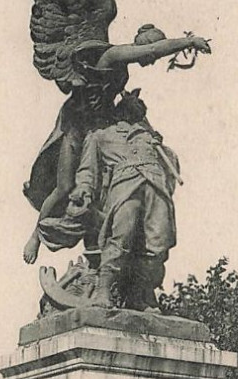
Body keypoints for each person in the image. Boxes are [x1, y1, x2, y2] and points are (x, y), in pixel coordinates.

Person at [22, 27, 211, 264]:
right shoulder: (113, 56)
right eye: (148, 57)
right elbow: (154, 49)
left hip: (102, 124)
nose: (150, 62)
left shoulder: (121, 74)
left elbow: (124, 103)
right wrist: (189, 41)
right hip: (77, 123)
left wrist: (146, 128)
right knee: (64, 186)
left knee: (105, 184)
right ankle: (35, 237)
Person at [68, 89, 181, 309]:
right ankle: (103, 290)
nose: (137, 105)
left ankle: (142, 294)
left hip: (156, 189)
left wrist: (162, 147)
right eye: (133, 102)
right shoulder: (101, 135)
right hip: (125, 188)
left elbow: (171, 166)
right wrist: (83, 188)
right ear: (120, 109)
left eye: (140, 104)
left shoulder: (151, 138)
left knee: (157, 246)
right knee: (121, 237)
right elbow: (87, 170)